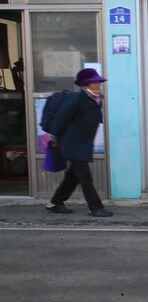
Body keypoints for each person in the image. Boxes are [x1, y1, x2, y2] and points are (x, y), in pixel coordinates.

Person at [45, 68, 113, 217]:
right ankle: (95, 207)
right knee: (85, 176)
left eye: (98, 82)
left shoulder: (94, 98)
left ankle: (55, 203)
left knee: (73, 176)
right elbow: (61, 118)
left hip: (82, 143)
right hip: (72, 144)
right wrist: (55, 137)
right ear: (85, 84)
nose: (98, 85)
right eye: (94, 82)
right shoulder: (77, 98)